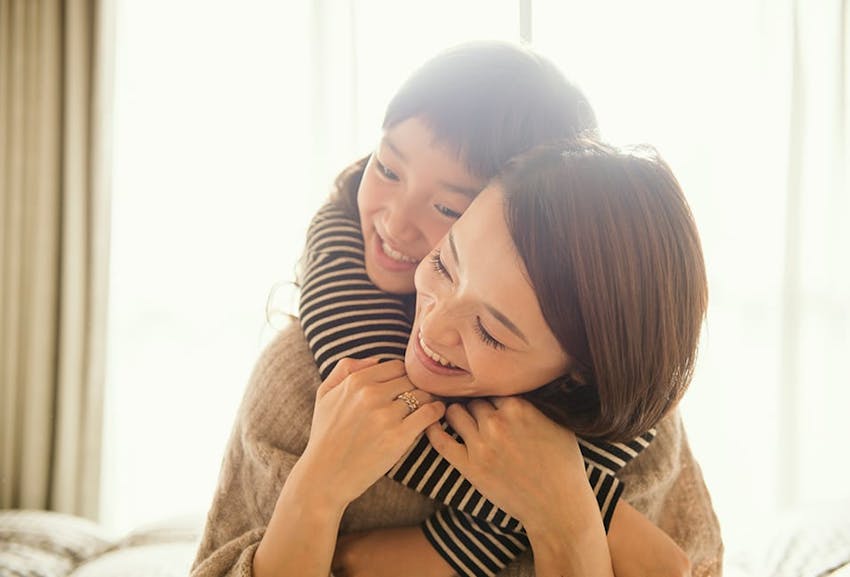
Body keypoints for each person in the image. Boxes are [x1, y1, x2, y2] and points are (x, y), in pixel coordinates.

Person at [192, 43, 722, 577]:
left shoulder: (627, 425)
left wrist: (574, 521)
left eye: (448, 207)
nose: (396, 224)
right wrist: (316, 492)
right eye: (445, 265)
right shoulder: (306, 387)